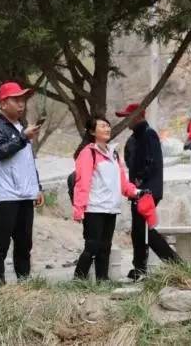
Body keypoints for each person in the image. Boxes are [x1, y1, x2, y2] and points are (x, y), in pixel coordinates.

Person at [0, 81, 44, 286]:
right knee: (1, 243)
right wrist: (22, 137)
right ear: (3, 103)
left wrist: (37, 187)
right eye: (16, 100)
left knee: (24, 244)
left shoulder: (22, 126)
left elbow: (28, 162)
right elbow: (0, 152)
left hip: (26, 194)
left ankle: (24, 284)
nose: (21, 104)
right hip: (6, 194)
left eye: (23, 100)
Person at [116, 103, 181, 281]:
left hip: (147, 190)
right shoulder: (135, 137)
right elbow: (130, 160)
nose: (125, 120)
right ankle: (140, 268)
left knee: (144, 230)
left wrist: (139, 180)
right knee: (139, 231)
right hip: (139, 191)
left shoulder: (148, 134)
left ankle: (175, 264)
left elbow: (150, 162)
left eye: (127, 117)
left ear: (138, 116)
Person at [72, 116, 141, 281]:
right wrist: (79, 208)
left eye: (108, 125)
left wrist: (137, 192)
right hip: (94, 208)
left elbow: (122, 182)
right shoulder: (88, 153)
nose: (107, 129)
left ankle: (102, 281)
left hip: (111, 208)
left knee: (105, 247)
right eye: (102, 126)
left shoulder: (113, 154)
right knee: (92, 246)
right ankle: (78, 280)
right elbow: (82, 182)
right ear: (92, 131)